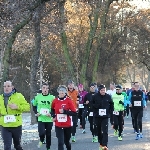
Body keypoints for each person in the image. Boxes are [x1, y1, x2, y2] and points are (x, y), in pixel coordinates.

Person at [0, 81, 30, 150]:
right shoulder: (0, 98)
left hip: (16, 125)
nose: (6, 88)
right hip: (4, 125)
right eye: (4, 86)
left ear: (12, 87)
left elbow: (27, 107)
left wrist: (17, 107)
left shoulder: (19, 96)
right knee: (7, 146)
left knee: (17, 146)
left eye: (8, 86)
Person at [51, 85, 76, 150]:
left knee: (66, 142)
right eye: (60, 92)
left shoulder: (68, 101)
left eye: (63, 92)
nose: (61, 93)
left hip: (67, 125)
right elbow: (52, 110)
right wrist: (53, 116)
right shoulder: (55, 101)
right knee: (60, 142)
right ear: (58, 92)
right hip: (58, 125)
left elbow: (74, 113)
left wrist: (65, 111)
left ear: (65, 93)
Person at [33, 83, 55, 150]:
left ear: (48, 89)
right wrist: (36, 113)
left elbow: (54, 108)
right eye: (44, 88)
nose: (45, 90)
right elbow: (34, 106)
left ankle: (48, 147)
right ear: (41, 89)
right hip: (41, 118)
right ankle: (41, 140)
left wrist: (51, 114)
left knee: (48, 134)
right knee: (41, 132)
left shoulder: (52, 97)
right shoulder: (37, 97)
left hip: (49, 119)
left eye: (47, 88)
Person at [93, 84, 114, 150]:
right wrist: (96, 107)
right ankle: (101, 143)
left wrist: (110, 112)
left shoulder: (108, 96)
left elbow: (111, 104)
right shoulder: (95, 96)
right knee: (99, 131)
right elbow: (91, 104)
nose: (103, 91)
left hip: (105, 116)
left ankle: (105, 145)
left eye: (104, 90)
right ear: (99, 90)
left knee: (105, 131)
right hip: (97, 116)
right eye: (101, 90)